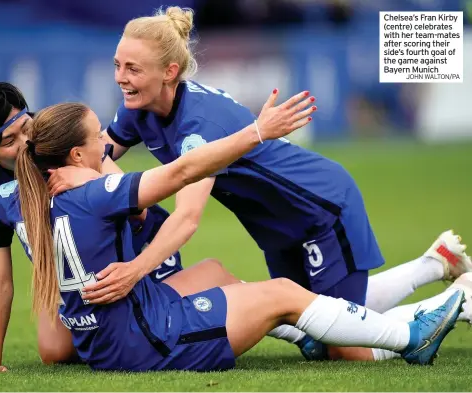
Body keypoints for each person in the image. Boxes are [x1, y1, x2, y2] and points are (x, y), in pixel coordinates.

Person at [50, 6, 471, 362]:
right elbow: (94, 154)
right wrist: (64, 170)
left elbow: (187, 219)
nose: (120, 78)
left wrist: (134, 272)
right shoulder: (138, 108)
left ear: (169, 71)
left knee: (344, 347)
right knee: (310, 320)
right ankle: (434, 263)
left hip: (320, 212)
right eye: (117, 66)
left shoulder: (199, 124)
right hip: (275, 228)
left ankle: (461, 299)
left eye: (132, 69)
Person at [0, 100, 466, 371]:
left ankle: (417, 298)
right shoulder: (96, 192)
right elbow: (181, 174)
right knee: (289, 298)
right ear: (73, 156)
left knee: (263, 294)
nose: (105, 147)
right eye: (96, 142)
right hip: (145, 338)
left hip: (114, 332)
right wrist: (255, 132)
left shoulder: (14, 200)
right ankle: (413, 335)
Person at [0, 75, 185, 371]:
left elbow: (141, 215)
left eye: (26, 127)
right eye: (9, 141)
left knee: (164, 322)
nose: (26, 142)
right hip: (80, 282)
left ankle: (224, 291)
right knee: (55, 352)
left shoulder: (62, 141)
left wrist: (91, 177)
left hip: (142, 251)